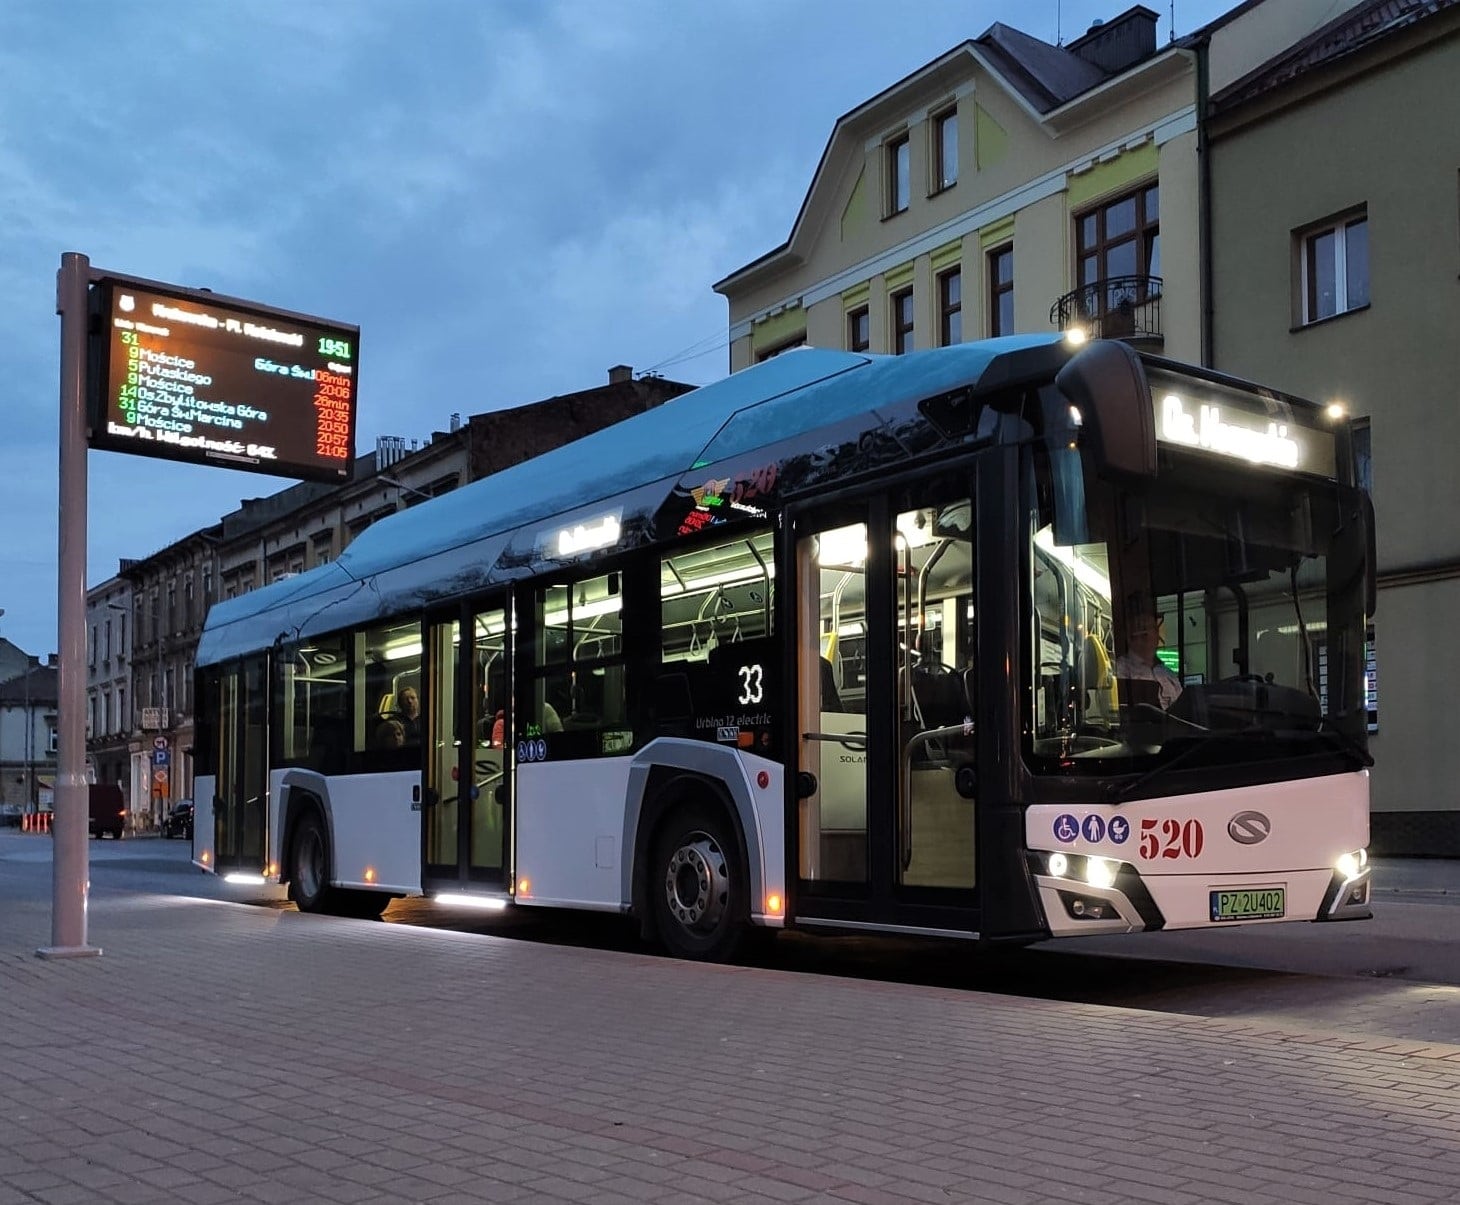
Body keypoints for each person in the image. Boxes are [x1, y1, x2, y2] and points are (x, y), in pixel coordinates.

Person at [1113, 612, 1182, 710]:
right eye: (1143, 631)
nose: (1152, 635)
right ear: (1130, 637)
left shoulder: (1167, 673)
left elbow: (1181, 710)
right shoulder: (1118, 670)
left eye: (1154, 629)